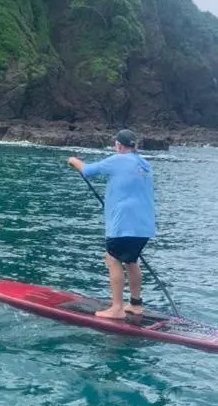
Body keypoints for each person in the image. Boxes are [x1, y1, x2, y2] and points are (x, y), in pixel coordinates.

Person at [67, 129, 156, 320]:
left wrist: (74, 161)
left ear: (119, 145)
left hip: (123, 224)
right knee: (132, 261)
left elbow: (88, 171)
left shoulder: (117, 159)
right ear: (135, 146)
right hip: (144, 226)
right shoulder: (145, 164)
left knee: (112, 259)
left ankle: (116, 308)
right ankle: (135, 304)